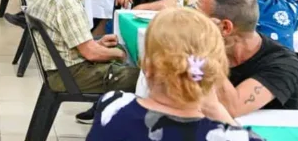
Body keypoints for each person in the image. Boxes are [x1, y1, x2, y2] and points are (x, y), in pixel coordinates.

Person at [88, 8, 261, 141]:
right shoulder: (228, 136)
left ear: (147, 66)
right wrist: (214, 106)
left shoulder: (113, 107)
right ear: (215, 71)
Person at [26, 0, 138, 124]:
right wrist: (122, 54)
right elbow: (90, 54)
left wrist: (96, 44)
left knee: (115, 50)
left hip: (58, 64)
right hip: (69, 73)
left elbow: (72, 40)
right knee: (144, 77)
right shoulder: (67, 1)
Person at [196, 0, 298, 115]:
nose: (192, 23)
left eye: (198, 18)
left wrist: (202, 52)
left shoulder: (283, 63)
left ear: (225, 27)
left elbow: (232, 108)